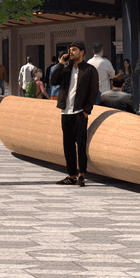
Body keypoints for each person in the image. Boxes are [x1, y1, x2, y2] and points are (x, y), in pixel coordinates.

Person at [50, 41, 101, 186]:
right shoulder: (65, 69)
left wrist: (86, 111)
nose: (70, 52)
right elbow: (53, 81)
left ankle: (81, 175)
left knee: (81, 144)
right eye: (69, 50)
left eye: (73, 50)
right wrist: (60, 64)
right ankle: (71, 175)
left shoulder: (90, 70)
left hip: (80, 112)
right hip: (66, 112)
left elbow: (93, 91)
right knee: (68, 145)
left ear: (82, 52)